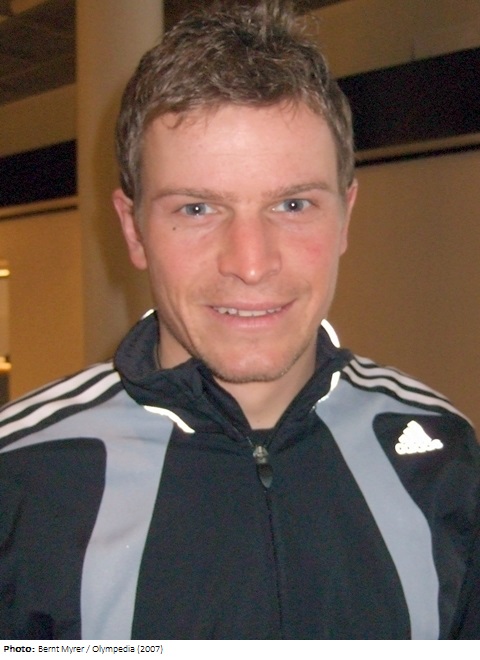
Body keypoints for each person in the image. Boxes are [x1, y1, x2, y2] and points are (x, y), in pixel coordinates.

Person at [0, 0, 478, 641]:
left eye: (293, 204)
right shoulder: (22, 477)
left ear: (345, 217)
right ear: (134, 231)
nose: (250, 264)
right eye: (197, 209)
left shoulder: (442, 455)